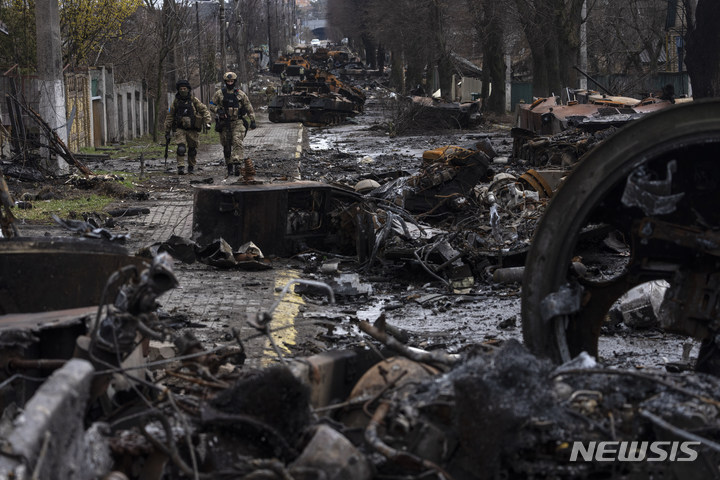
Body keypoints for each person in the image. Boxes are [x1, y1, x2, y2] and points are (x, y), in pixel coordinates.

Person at [209, 71, 258, 179]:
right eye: (228, 81)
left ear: (234, 81)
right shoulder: (219, 94)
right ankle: (229, 166)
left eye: (232, 81)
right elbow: (211, 105)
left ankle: (237, 164)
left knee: (237, 141)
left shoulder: (240, 94)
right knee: (226, 146)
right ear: (225, 82)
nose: (230, 83)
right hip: (224, 123)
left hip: (238, 122)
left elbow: (248, 106)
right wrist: (218, 111)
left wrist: (252, 120)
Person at [164, 79, 212, 175]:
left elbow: (204, 110)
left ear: (188, 89)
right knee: (181, 148)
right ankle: (181, 167)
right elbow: (170, 116)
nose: (182, 90)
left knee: (192, 149)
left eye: (184, 88)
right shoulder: (176, 102)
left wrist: (208, 121)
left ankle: (191, 166)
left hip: (193, 129)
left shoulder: (194, 100)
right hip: (180, 129)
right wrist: (167, 130)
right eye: (181, 89)